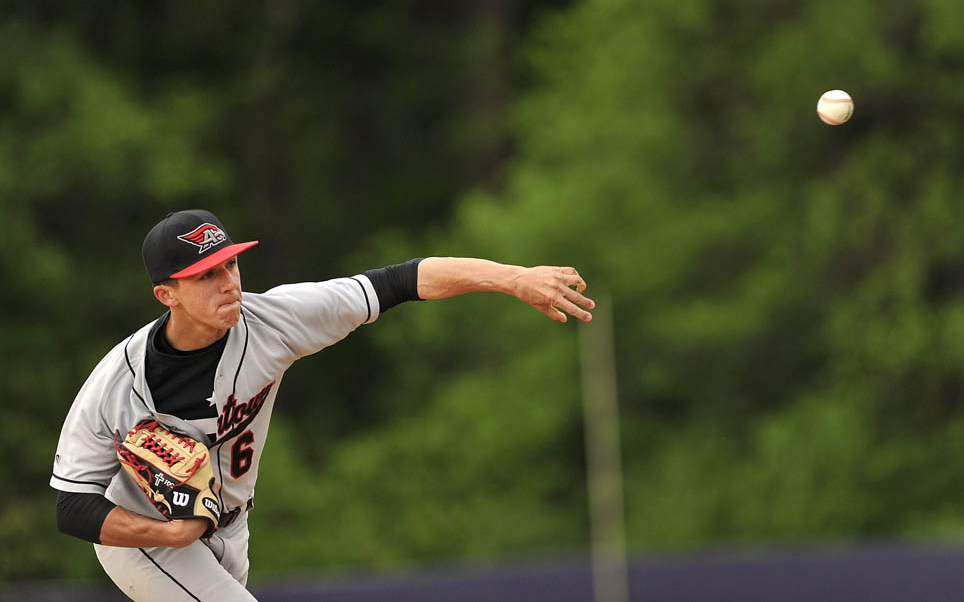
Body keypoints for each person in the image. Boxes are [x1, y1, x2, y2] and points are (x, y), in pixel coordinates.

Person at [50, 209, 595, 602]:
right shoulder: (119, 385)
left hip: (233, 528)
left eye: (230, 266)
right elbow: (72, 506)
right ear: (166, 294)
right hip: (151, 538)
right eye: (206, 274)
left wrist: (514, 278)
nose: (228, 282)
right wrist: (170, 534)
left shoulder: (276, 320)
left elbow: (401, 281)